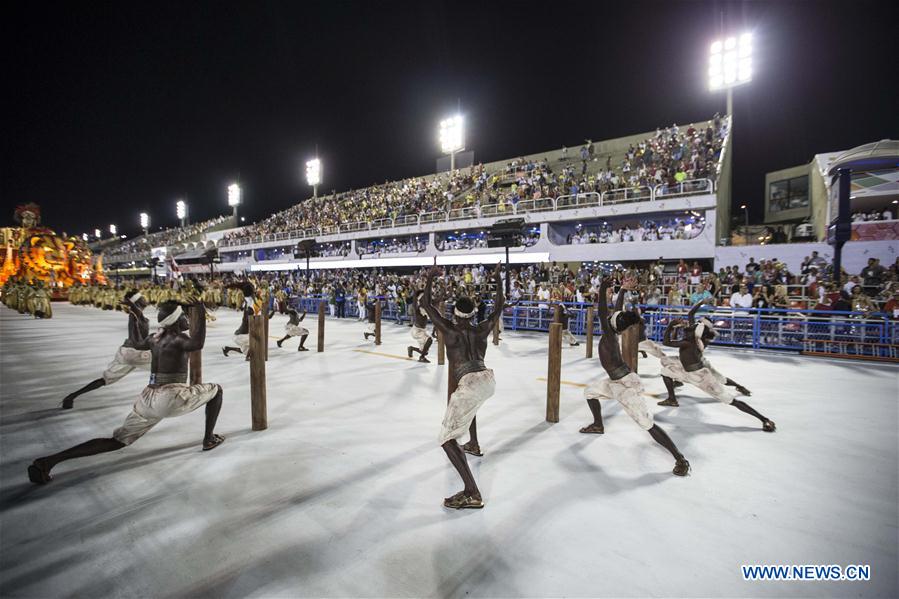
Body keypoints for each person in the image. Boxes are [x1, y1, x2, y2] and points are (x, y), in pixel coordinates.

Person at [28, 300, 225, 484]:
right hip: (170, 397)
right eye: (184, 316)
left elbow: (135, 341)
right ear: (175, 320)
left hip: (147, 399)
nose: (187, 320)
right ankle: (208, 439)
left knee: (117, 441)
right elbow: (198, 344)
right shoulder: (180, 338)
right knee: (217, 391)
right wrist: (200, 310)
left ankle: (49, 461)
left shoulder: (153, 338)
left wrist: (136, 316)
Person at [580, 276, 690, 477]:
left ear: (612, 324)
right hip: (616, 381)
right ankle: (598, 424)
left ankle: (680, 458)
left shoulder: (609, 333)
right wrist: (621, 289)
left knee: (646, 423)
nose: (607, 317)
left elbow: (604, 310)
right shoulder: (612, 331)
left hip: (626, 385)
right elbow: (616, 311)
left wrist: (604, 286)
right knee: (590, 392)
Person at [421, 264, 504, 509]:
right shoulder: (481, 329)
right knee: (471, 407)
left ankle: (472, 492)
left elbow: (426, 305)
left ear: (455, 314)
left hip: (468, 382)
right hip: (487, 379)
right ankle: (473, 443)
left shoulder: (450, 330)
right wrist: (498, 280)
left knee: (446, 439)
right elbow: (498, 307)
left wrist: (428, 279)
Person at [658, 300, 776, 432]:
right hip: (689, 372)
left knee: (730, 400)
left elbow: (667, 342)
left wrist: (671, 325)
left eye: (691, 327)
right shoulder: (694, 336)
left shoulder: (689, 341)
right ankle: (672, 398)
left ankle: (764, 419)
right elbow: (690, 316)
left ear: (694, 332)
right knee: (665, 370)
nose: (689, 325)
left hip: (701, 376)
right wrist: (701, 302)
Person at [61, 289, 151, 409]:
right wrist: (132, 306)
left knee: (105, 380)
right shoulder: (136, 314)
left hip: (128, 353)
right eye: (142, 298)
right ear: (138, 301)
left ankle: (71, 396)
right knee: (169, 364)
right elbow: (136, 315)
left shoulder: (137, 314)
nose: (145, 299)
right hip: (135, 353)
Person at [222, 282, 256, 359]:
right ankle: (247, 358)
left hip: (241, 334)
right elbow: (252, 319)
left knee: (246, 350)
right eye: (254, 290)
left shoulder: (248, 303)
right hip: (241, 335)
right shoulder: (250, 306)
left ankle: (228, 348)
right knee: (255, 342)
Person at [407, 289, 433, 362]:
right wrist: (415, 292)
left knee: (425, 351)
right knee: (429, 340)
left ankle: (411, 348)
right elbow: (415, 301)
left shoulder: (426, 307)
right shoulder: (417, 308)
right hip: (417, 330)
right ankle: (422, 357)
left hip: (422, 330)